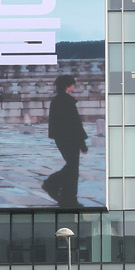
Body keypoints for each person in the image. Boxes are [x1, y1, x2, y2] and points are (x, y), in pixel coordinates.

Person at [43, 73, 89, 207]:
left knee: (71, 166)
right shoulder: (67, 101)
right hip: (71, 138)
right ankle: (55, 186)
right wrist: (83, 144)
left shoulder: (56, 100)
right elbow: (75, 124)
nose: (74, 86)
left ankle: (65, 196)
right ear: (68, 86)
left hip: (61, 138)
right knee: (73, 168)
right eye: (72, 84)